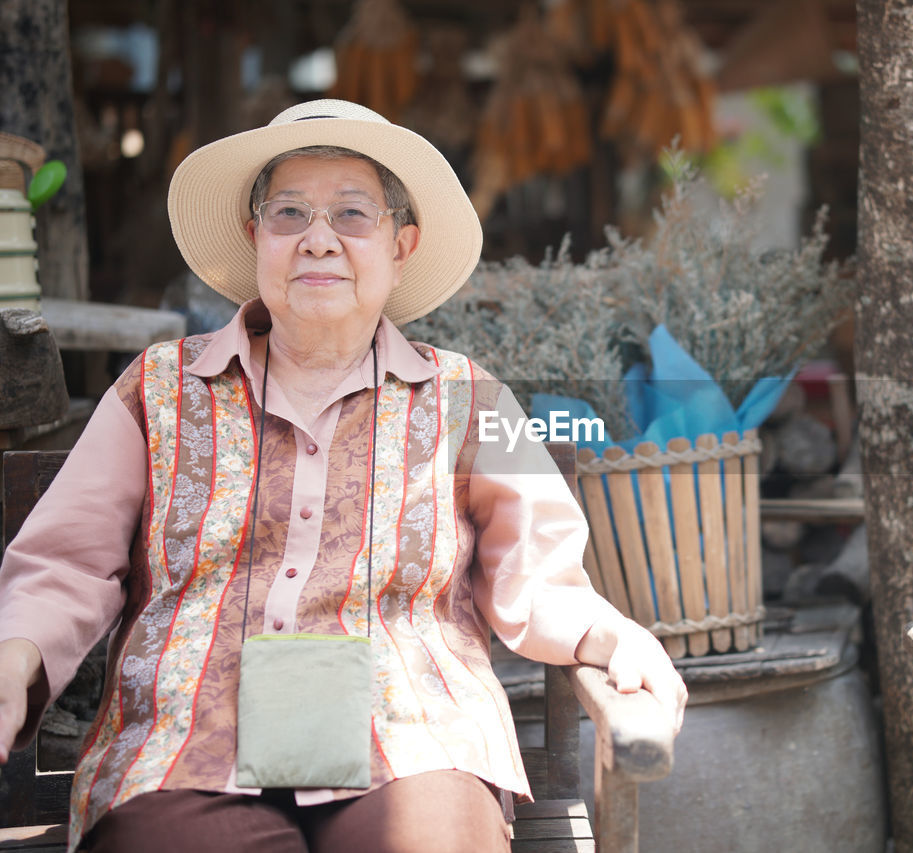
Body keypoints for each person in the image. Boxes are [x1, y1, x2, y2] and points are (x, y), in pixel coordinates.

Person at [0, 99, 686, 853]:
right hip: (189, 745)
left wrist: (614, 637)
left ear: (401, 244)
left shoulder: (471, 398)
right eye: (289, 212)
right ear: (254, 235)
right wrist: (15, 652)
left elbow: (541, 576)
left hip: (414, 742)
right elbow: (65, 562)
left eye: (352, 215)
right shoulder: (159, 388)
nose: (318, 239)